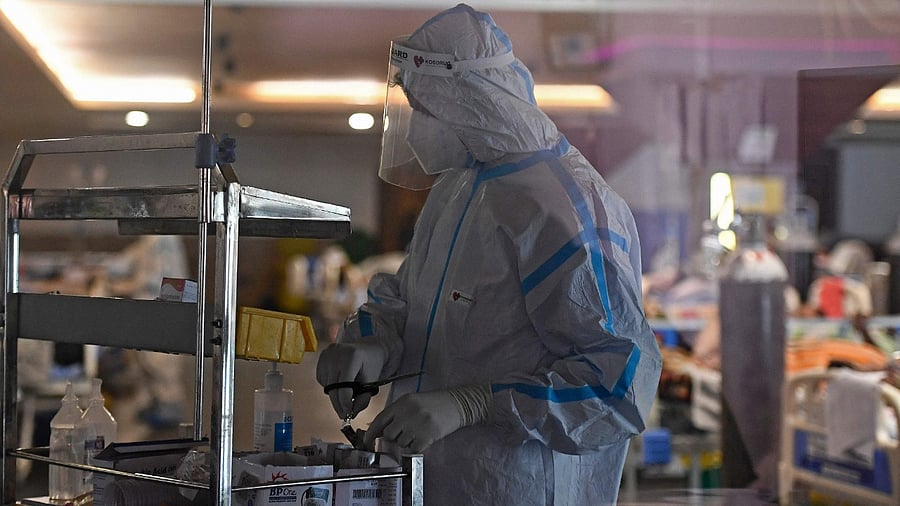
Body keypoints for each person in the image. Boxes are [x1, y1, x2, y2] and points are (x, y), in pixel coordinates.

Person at [316, 4, 662, 505]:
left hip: (519, 487)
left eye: (426, 110)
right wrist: (372, 346)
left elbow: (618, 387)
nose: (414, 130)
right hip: (431, 482)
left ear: (469, 102)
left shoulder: (562, 210)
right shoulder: (457, 191)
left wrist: (474, 404)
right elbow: (408, 301)